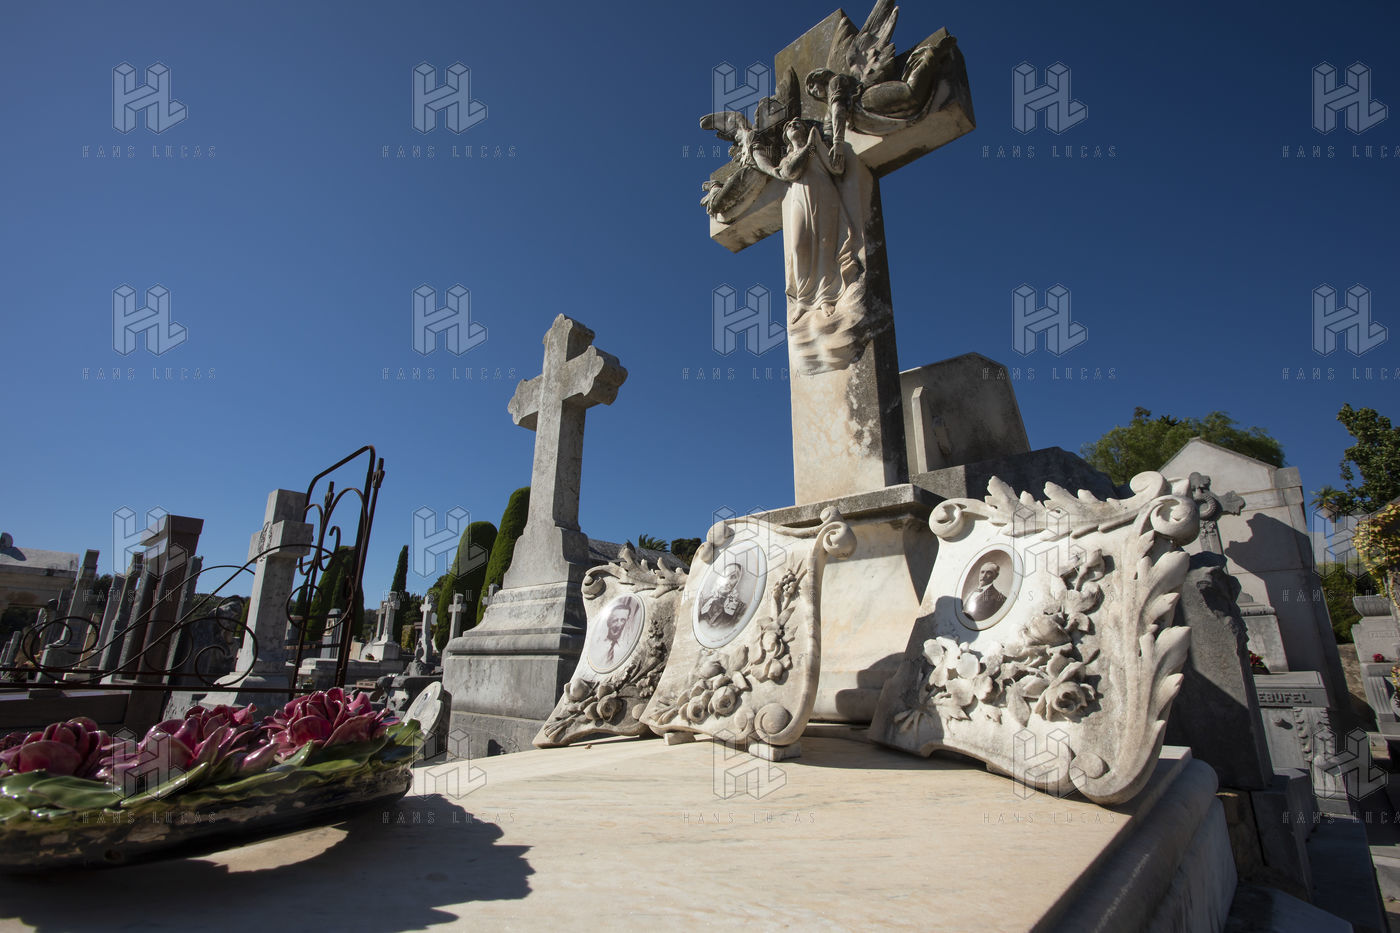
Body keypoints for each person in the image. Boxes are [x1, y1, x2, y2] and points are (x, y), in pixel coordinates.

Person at [699, 562, 747, 629]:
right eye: (724, 575)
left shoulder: (741, 609)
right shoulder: (705, 602)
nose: (727, 581)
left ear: (738, 581)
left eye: (733, 577)